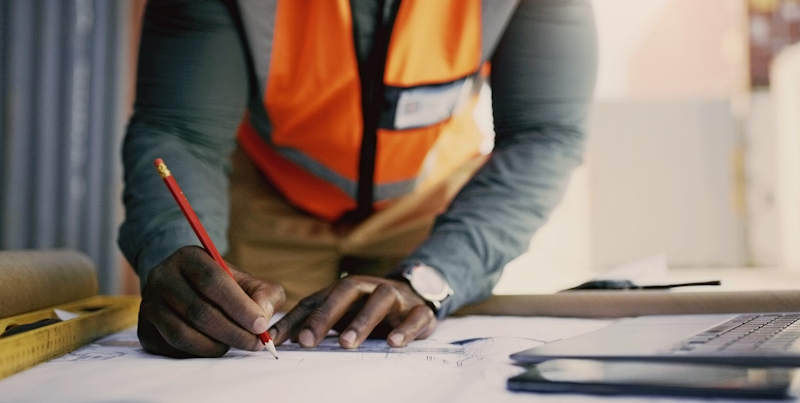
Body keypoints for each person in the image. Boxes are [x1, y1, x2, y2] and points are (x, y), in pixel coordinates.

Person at [118, 0, 597, 358]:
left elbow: (544, 134)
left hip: (428, 213)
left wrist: (434, 277)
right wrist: (176, 249)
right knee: (238, 342)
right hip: (269, 198)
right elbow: (180, 131)